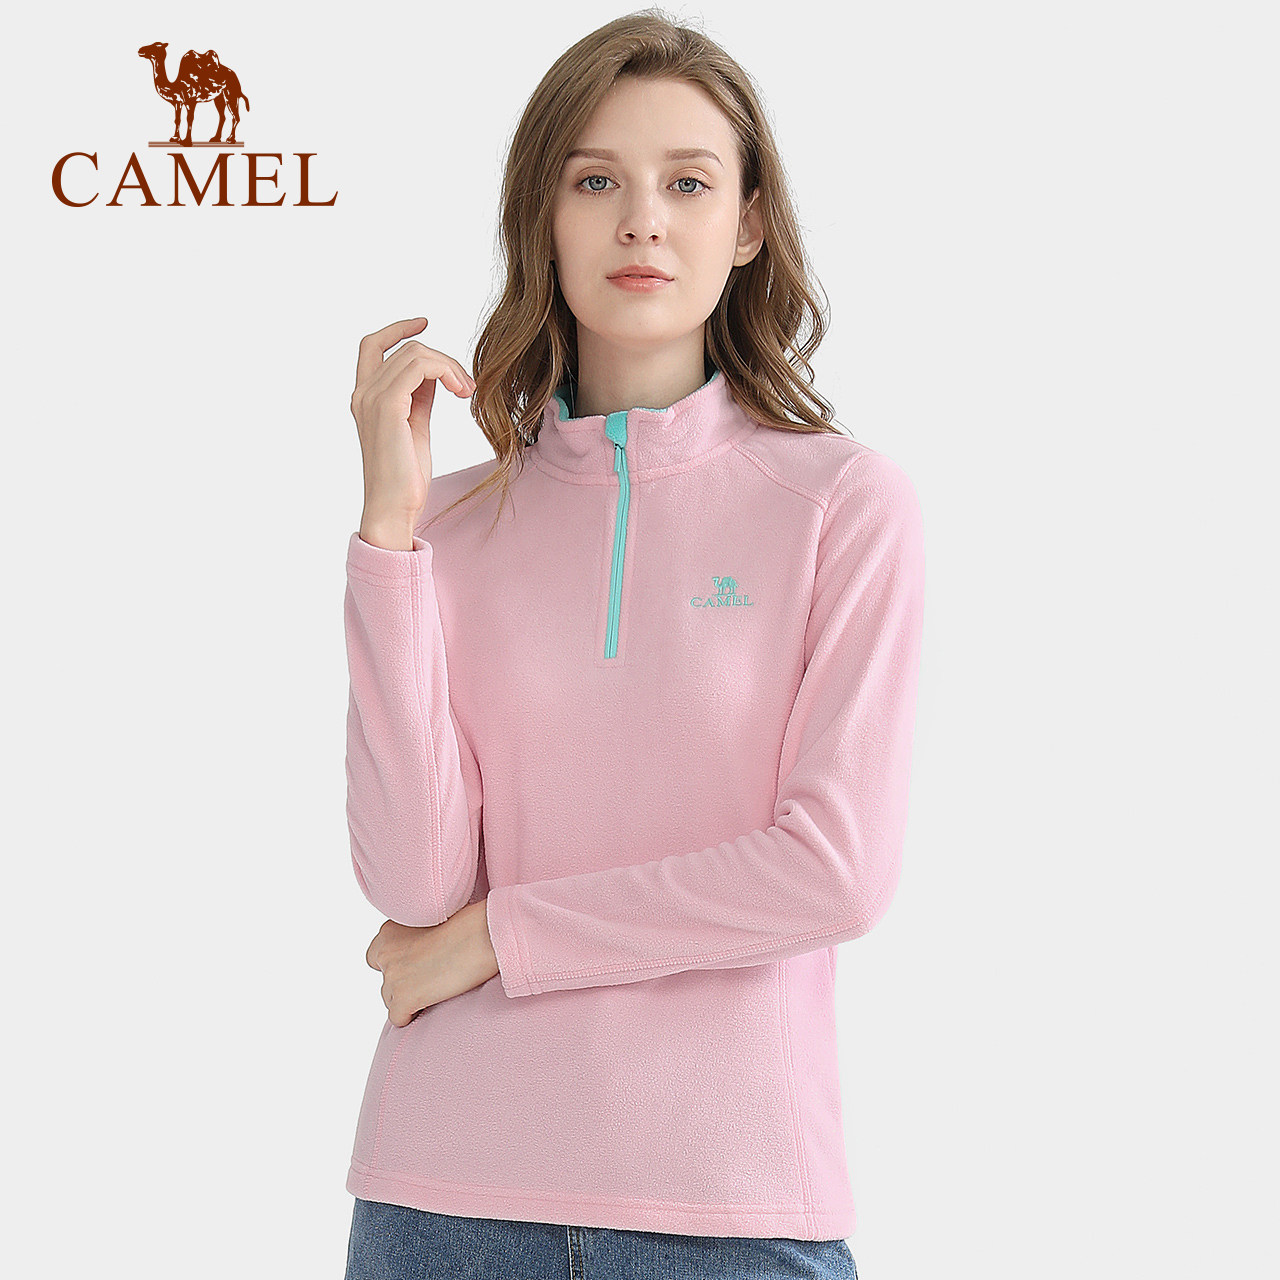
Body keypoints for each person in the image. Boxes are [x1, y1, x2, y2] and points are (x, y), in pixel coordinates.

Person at [341, 10, 924, 1278]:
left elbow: (832, 871)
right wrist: (387, 536)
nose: (641, 221)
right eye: (595, 181)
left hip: (729, 1207)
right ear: (542, 221)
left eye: (687, 183)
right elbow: (416, 884)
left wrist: (502, 937)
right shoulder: (445, 524)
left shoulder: (838, 504)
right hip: (439, 1196)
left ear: (749, 224)